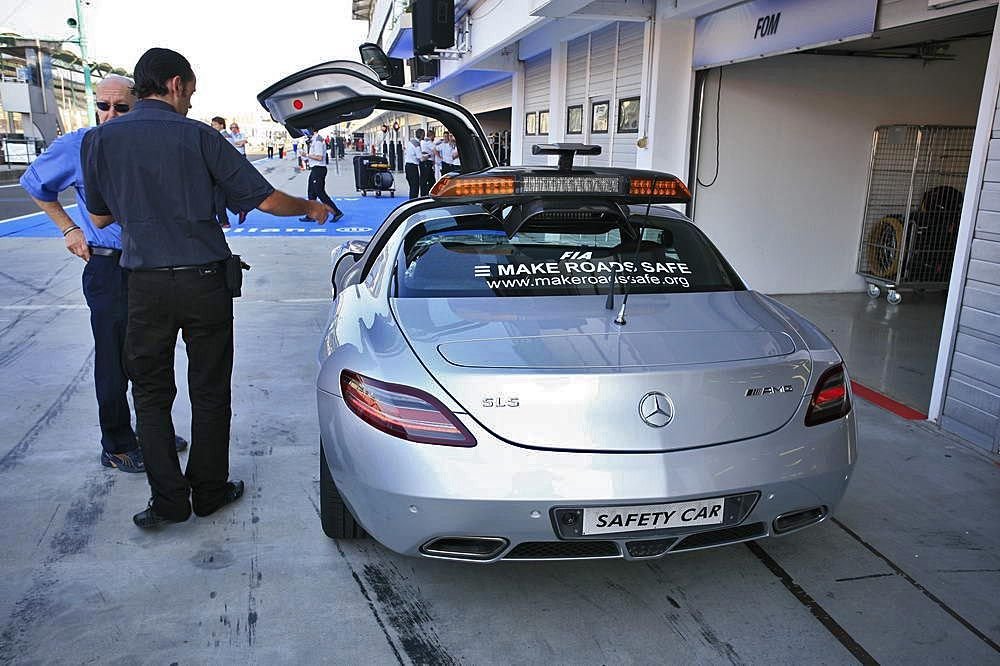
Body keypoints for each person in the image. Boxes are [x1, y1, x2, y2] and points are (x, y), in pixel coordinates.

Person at [81, 48, 334, 529]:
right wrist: (311, 208)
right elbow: (265, 199)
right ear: (176, 84)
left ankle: (169, 502)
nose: (192, 103)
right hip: (203, 283)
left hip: (144, 284)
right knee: (210, 390)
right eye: (191, 92)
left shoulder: (100, 140)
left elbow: (99, 216)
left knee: (150, 395)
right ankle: (210, 492)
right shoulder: (200, 136)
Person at [19, 74, 188, 474]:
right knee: (114, 360)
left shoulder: (148, 140)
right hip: (109, 266)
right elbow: (35, 183)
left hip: (152, 265)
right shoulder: (79, 145)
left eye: (121, 107)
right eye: (103, 105)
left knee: (151, 357)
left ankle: (151, 433)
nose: (109, 114)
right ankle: (116, 443)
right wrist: (69, 228)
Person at [300, 130, 344, 222]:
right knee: (311, 192)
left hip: (319, 169)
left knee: (320, 193)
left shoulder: (318, 141)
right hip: (315, 168)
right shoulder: (314, 140)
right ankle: (311, 215)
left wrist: (307, 155)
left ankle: (337, 212)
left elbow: (319, 157)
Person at [210, 117, 233, 228]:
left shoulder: (223, 137)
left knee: (219, 197)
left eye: (214, 124)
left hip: (221, 171)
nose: (212, 126)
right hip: (223, 171)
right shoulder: (222, 136)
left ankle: (224, 221)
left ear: (221, 125)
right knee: (220, 197)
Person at [418, 129, 435, 196]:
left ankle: (425, 193)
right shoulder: (428, 142)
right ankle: (426, 194)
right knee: (428, 180)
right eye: (434, 136)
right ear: (432, 135)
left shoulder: (422, 141)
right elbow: (434, 150)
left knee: (426, 179)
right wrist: (439, 158)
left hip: (424, 162)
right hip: (427, 162)